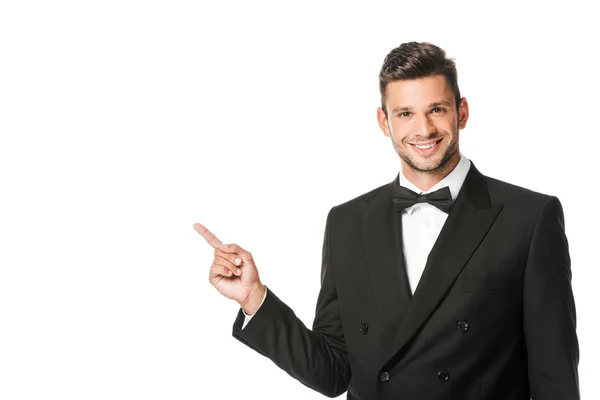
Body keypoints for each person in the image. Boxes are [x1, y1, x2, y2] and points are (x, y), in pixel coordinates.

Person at [194, 41, 579, 399]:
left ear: (462, 112)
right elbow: (333, 371)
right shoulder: (347, 222)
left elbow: (555, 378)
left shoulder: (529, 218)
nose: (424, 129)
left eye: (437, 109)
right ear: (384, 122)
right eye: (406, 113)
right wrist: (254, 299)